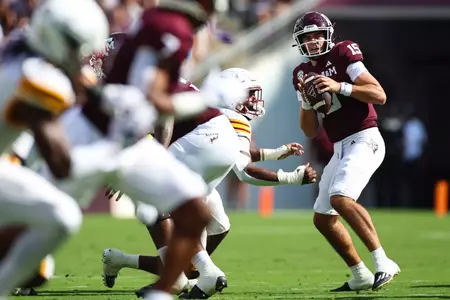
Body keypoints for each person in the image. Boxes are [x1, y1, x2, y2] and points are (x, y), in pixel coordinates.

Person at [102, 68, 317, 299]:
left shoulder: (216, 109)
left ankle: (179, 276)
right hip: (203, 154)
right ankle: (123, 260)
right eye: (249, 94)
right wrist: (280, 161)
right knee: (205, 233)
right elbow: (241, 161)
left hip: (197, 151)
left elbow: (241, 165)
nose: (254, 100)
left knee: (155, 206)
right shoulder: (226, 115)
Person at [0, 0, 109, 297]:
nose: (83, 56)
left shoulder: (23, 43)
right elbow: (61, 165)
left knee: (55, 224)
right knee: (60, 219)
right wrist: (116, 149)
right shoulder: (39, 78)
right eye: (79, 48)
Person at [292, 11, 400, 292]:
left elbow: (379, 94)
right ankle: (360, 274)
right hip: (341, 146)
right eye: (307, 37)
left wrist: (339, 86)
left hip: (365, 138)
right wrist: (306, 101)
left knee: (340, 198)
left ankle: (383, 261)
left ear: (328, 34)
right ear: (299, 43)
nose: (314, 41)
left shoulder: (343, 53)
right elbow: (309, 130)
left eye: (317, 35)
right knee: (323, 218)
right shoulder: (301, 73)